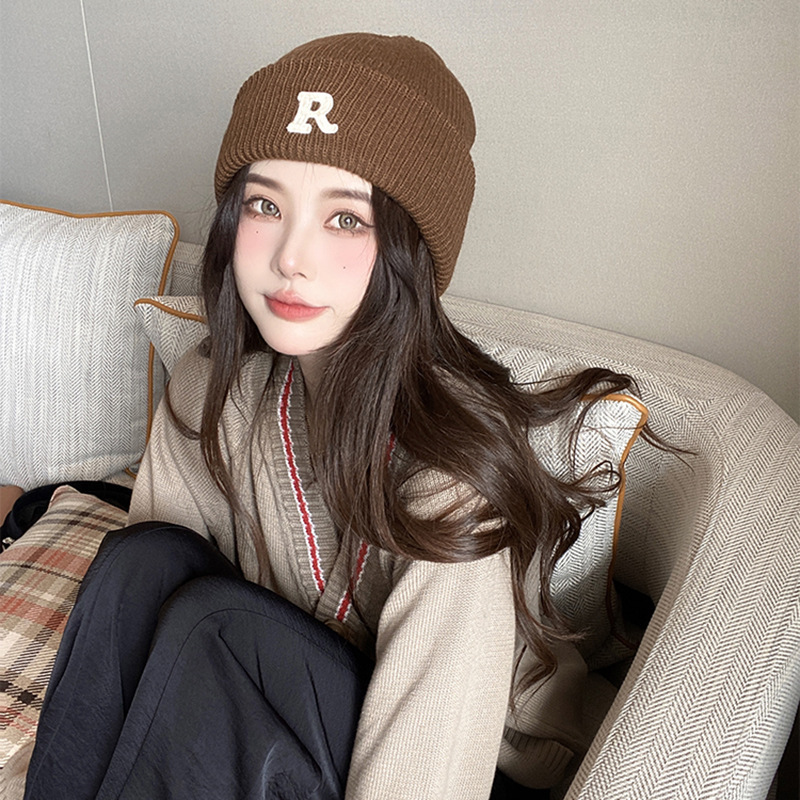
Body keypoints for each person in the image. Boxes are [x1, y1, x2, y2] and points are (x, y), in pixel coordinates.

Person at [23, 32, 643, 800]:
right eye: (265, 205)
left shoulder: (449, 480)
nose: (291, 256)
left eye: (345, 219)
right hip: (286, 707)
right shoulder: (212, 390)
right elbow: (145, 637)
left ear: (410, 252)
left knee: (217, 622)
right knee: (136, 563)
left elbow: (431, 770)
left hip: (456, 759)